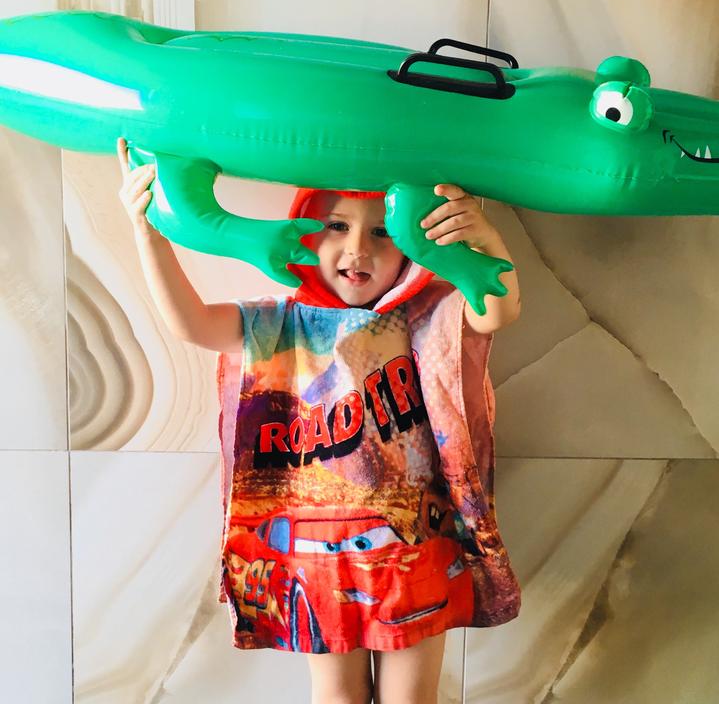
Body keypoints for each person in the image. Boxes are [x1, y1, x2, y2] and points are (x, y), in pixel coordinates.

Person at [117, 137, 522, 704]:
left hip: (416, 552)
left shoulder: (427, 315)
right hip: (317, 564)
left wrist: (483, 241)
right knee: (337, 697)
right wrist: (150, 233)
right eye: (336, 225)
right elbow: (193, 324)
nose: (357, 248)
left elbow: (497, 309)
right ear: (305, 231)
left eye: (382, 231)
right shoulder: (279, 325)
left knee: (412, 699)